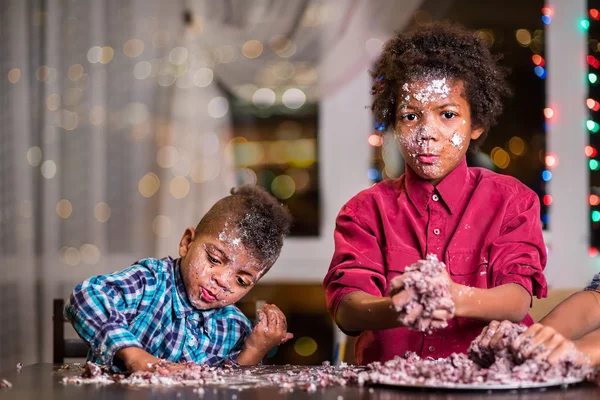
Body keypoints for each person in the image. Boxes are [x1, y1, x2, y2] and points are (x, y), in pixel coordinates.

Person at [323, 22, 547, 365]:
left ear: (476, 124)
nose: (427, 132)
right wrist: (397, 307)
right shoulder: (364, 211)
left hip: (489, 384)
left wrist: (453, 298)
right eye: (411, 116)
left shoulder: (512, 201)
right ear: (395, 126)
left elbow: (517, 300)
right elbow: (348, 309)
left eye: (448, 114)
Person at [66, 185, 293, 372]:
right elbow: (85, 297)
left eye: (241, 281)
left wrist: (255, 350)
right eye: (214, 259)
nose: (223, 281)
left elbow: (229, 387)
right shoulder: (149, 283)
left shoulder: (234, 328)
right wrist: (135, 356)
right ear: (187, 243)